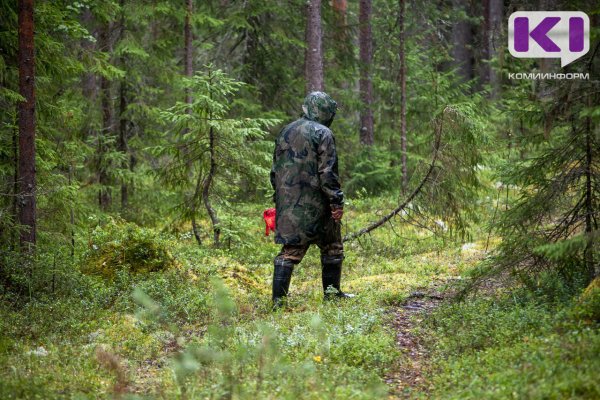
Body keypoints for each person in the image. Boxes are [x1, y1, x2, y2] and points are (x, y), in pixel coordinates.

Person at [269, 91, 355, 309]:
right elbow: (328, 172)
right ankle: (332, 296)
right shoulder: (323, 133)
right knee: (332, 247)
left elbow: (274, 171)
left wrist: (280, 198)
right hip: (319, 204)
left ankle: (278, 303)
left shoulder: (285, 131)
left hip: (288, 204)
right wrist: (336, 201)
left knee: (290, 252)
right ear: (324, 111)